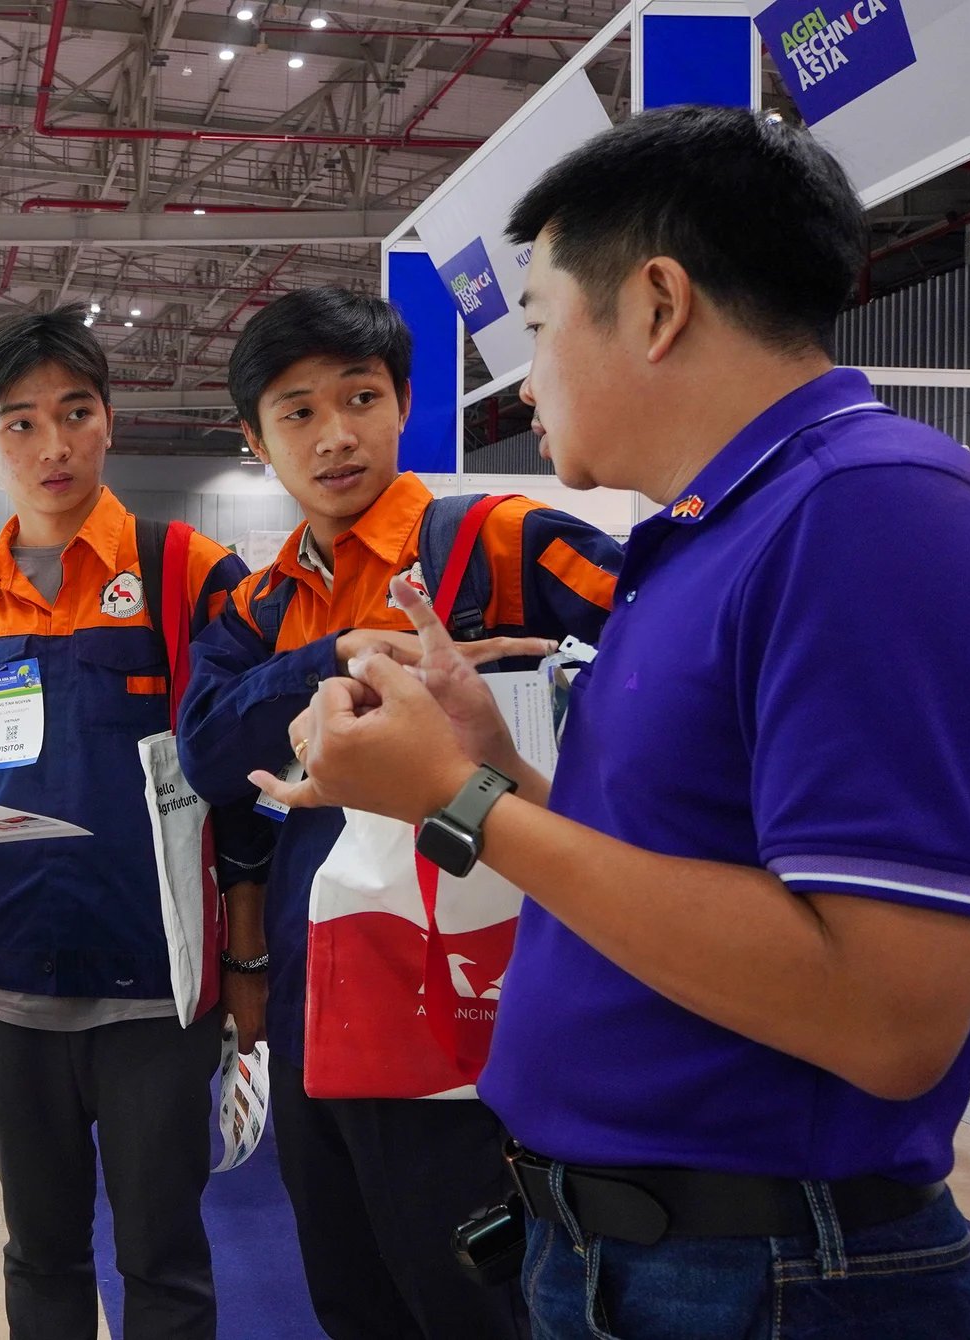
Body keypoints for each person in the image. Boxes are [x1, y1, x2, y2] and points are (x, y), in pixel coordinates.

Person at [255, 107, 970, 1340]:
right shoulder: (716, 535)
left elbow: (884, 1010)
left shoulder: (877, 519)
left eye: (536, 328)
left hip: (764, 1273)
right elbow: (680, 877)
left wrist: (459, 800)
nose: (525, 382)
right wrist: (498, 766)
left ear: (655, 304)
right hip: (636, 1255)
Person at [176, 286, 621, 1339]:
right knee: (350, 1284)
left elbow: (673, 641)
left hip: (485, 995)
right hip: (319, 998)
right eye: (297, 412)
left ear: (405, 403)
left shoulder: (496, 543)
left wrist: (559, 687)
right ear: (257, 437)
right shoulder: (257, 602)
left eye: (360, 397)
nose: (335, 436)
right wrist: (332, 657)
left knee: (481, 1293)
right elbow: (206, 748)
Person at [0, 305, 264, 1340]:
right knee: (40, 1251)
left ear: (109, 421)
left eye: (76, 412)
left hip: (152, 992)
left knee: (164, 1257)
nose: (55, 444)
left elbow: (246, 777)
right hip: (8, 984)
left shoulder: (189, 573)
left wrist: (249, 965)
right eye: (22, 422)